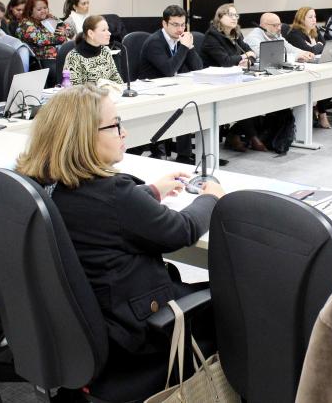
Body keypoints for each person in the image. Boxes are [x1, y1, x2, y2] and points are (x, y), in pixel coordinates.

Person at [15, 84, 224, 357]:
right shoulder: (113, 194)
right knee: (238, 302)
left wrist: (150, 192)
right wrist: (212, 198)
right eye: (114, 125)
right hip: (136, 330)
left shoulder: (45, 182)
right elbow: (181, 231)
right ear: (83, 136)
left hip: (82, 327)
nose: (123, 132)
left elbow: (98, 211)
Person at [138, 5, 203, 164]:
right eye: (175, 24)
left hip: (173, 88)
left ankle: (184, 156)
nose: (180, 29)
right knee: (182, 104)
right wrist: (184, 47)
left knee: (188, 103)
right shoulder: (155, 42)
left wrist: (190, 48)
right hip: (151, 92)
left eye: (183, 25)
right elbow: (169, 69)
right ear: (164, 24)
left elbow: (198, 67)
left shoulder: (180, 40)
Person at [201, 4, 264, 151]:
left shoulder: (236, 34)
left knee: (252, 97)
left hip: (233, 78)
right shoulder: (212, 36)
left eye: (236, 15)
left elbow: (252, 53)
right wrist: (243, 56)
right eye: (230, 15)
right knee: (245, 100)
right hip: (214, 83)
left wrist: (248, 59)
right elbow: (226, 61)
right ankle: (249, 136)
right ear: (220, 17)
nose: (234, 18)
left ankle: (237, 134)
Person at [15, 0, 73, 72]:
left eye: (45, 8)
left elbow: (68, 27)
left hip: (61, 55)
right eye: (39, 9)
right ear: (30, 10)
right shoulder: (25, 24)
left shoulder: (49, 17)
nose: (43, 11)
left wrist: (65, 31)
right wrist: (61, 37)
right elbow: (41, 40)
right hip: (44, 59)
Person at [63, 15, 123, 87]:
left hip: (108, 95)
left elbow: (116, 79)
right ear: (91, 33)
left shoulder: (105, 51)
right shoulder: (74, 57)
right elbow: (75, 91)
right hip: (86, 97)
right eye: (104, 30)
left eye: (108, 29)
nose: (109, 33)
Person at [245, 13, 313, 63]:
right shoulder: (252, 38)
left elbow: (289, 48)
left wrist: (304, 53)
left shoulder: (275, 35)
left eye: (279, 24)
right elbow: (268, 57)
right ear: (264, 26)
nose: (279, 28)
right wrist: (296, 57)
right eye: (275, 25)